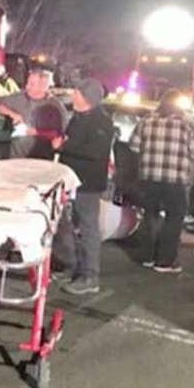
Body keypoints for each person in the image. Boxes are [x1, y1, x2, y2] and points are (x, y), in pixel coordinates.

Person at [129, 89, 194, 273]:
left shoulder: (146, 121)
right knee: (175, 218)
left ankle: (147, 256)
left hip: (149, 177)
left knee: (149, 215)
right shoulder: (188, 124)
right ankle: (165, 260)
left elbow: (133, 145)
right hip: (175, 179)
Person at [52, 79, 114, 295]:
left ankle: (90, 275)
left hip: (87, 184)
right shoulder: (77, 118)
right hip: (71, 181)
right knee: (69, 226)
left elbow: (95, 151)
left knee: (87, 229)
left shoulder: (101, 122)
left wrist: (65, 146)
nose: (73, 96)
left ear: (88, 98)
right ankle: (73, 267)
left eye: (77, 93)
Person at [0, 68, 68, 159]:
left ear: (43, 86)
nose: (27, 87)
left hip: (41, 160)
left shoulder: (56, 106)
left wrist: (36, 132)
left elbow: (61, 135)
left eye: (32, 84)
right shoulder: (18, 98)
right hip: (16, 159)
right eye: (27, 83)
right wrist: (11, 113)